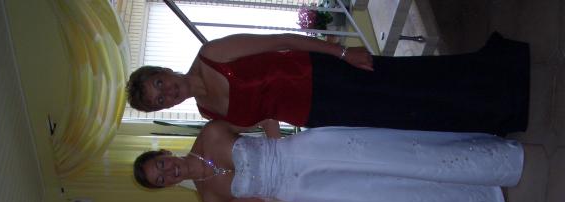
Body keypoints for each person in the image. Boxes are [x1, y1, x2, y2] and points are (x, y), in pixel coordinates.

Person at [133, 121, 524, 202]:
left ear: (165, 153)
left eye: (161, 166)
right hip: (297, 189)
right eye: (161, 180)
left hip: (301, 151)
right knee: (386, 198)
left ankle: (493, 165)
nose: (168, 173)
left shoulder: (211, 134)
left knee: (396, 157)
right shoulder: (210, 200)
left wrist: (275, 145)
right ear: (165, 188)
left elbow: (263, 115)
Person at [126, 32, 529, 135]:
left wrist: (341, 52)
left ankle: (499, 75)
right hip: (320, 113)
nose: (167, 93)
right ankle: (495, 113)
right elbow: (265, 118)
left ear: (165, 71)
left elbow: (281, 41)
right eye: (159, 100)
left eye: (160, 83)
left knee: (409, 82)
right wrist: (281, 154)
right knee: (403, 115)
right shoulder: (208, 112)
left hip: (321, 74)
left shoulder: (213, 53)